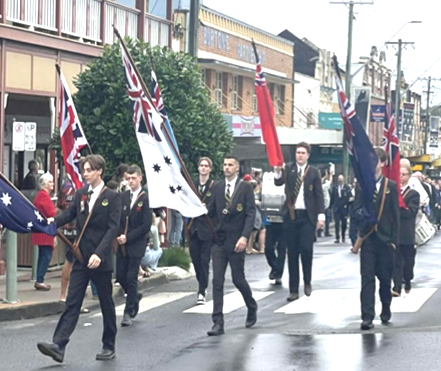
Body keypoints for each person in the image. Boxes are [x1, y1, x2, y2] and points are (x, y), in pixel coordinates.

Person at [37, 154, 121, 363]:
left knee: (105, 302)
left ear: (99, 171)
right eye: (84, 170)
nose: (85, 174)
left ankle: (109, 344)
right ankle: (59, 344)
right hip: (82, 257)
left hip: (99, 259)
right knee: (73, 301)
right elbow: (69, 214)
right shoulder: (81, 194)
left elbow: (112, 229)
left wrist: (99, 254)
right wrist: (52, 221)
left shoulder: (111, 197)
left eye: (89, 170)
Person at [207, 155, 257, 336]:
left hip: (236, 240)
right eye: (225, 165)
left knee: (238, 279)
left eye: (230, 165)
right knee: (217, 281)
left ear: (237, 168)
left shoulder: (245, 188)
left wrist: (244, 237)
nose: (227, 168)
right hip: (219, 241)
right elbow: (211, 211)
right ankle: (218, 322)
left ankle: (251, 306)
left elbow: (250, 214)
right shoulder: (218, 187)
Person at [274, 142, 325, 302]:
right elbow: (279, 182)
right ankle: (294, 289)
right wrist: (277, 171)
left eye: (303, 153)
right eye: (298, 153)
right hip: (291, 216)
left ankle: (307, 280)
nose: (300, 155)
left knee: (306, 250)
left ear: (308, 155)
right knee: (292, 253)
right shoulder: (289, 168)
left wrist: (321, 216)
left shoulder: (313, 172)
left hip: (307, 217)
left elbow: (318, 196)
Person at [355, 147, 399, 330]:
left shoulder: (391, 186)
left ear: (382, 163)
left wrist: (394, 241)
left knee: (384, 278)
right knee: (367, 278)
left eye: (375, 160)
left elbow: (395, 216)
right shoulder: (362, 185)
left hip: (385, 239)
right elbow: (355, 210)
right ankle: (367, 316)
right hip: (367, 238)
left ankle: (386, 308)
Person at [116, 165, 151, 327]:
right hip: (121, 243)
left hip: (136, 242)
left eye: (133, 178)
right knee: (121, 276)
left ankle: (128, 311)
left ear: (140, 178)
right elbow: (118, 219)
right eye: (128, 179)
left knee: (131, 277)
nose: (130, 181)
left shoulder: (145, 198)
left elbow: (145, 226)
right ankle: (134, 295)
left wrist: (128, 237)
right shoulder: (123, 197)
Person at [189, 157, 215, 305]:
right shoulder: (192, 185)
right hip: (193, 228)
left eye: (206, 166)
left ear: (209, 169)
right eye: (201, 165)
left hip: (206, 229)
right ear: (198, 168)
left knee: (204, 261)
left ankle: (202, 290)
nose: (203, 168)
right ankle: (202, 282)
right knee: (196, 261)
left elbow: (214, 205)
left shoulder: (213, 186)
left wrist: (206, 207)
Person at [392, 164, 419, 297]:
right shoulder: (392, 191)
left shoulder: (413, 194)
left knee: (408, 262)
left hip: (407, 233)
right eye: (399, 174)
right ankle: (396, 286)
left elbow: (411, 212)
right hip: (394, 232)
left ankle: (407, 280)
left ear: (409, 176)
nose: (401, 177)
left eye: (404, 174)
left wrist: (397, 210)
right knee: (396, 261)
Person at [32, 173, 56, 291]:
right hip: (44, 231)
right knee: (46, 256)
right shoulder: (43, 196)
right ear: (45, 184)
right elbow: (51, 212)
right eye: (50, 182)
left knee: (43, 255)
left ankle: (39, 278)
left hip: (41, 230)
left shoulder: (41, 195)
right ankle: (40, 280)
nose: (52, 184)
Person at [330, 175, 351, 243]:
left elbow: (349, 197)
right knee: (337, 223)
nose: (340, 181)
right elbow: (332, 198)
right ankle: (337, 237)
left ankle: (343, 236)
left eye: (341, 180)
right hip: (337, 208)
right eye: (339, 180)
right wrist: (330, 206)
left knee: (344, 224)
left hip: (344, 208)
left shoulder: (347, 188)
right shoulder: (335, 188)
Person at [318, 169, 332, 238]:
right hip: (325, 205)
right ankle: (324, 231)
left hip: (322, 205)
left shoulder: (318, 186)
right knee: (326, 219)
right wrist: (330, 174)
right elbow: (330, 182)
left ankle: (319, 232)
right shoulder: (323, 187)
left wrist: (325, 176)